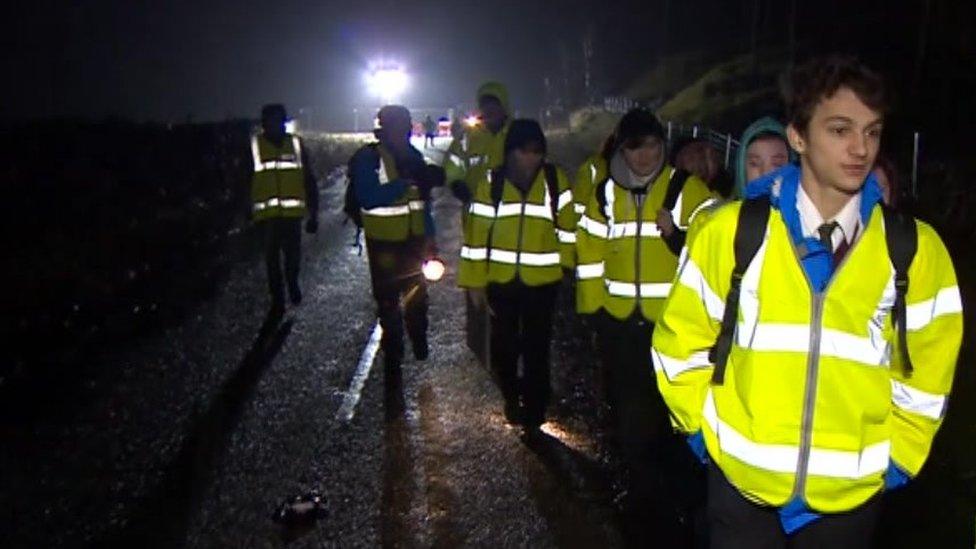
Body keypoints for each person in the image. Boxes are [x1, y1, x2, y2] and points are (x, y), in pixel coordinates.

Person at [652, 55, 963, 548]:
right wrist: (705, 436)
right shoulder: (730, 232)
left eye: (872, 132)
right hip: (742, 491)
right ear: (797, 137)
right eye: (840, 130)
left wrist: (896, 458)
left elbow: (929, 370)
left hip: (848, 502)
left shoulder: (915, 250)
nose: (861, 148)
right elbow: (678, 344)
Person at [575, 108, 712, 526]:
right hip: (620, 324)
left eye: (652, 145)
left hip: (673, 327)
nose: (644, 156)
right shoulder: (604, 194)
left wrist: (679, 237)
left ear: (662, 145)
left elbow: (715, 249)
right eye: (635, 147)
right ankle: (645, 504)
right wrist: (593, 310)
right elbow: (590, 255)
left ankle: (682, 497)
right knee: (633, 418)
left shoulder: (688, 190)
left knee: (676, 415)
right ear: (622, 149)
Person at [458, 119, 575, 430]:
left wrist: (565, 267)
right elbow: (476, 237)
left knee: (537, 348)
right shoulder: (492, 183)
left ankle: (535, 409)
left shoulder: (554, 180)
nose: (530, 158)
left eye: (537, 151)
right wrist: (474, 282)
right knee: (504, 348)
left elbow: (568, 228)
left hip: (543, 284)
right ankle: (511, 394)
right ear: (511, 152)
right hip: (502, 282)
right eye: (524, 151)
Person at [349, 105, 444, 373]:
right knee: (388, 302)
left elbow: (422, 204)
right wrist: (403, 182)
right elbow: (367, 196)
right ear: (383, 130)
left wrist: (430, 238)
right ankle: (394, 352)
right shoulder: (368, 158)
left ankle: (418, 340)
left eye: (405, 127)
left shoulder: (412, 155)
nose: (402, 132)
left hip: (413, 244)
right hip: (383, 244)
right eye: (397, 127)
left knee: (417, 299)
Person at [249, 103, 319, 315]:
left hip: (292, 216)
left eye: (278, 120)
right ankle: (278, 300)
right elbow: (243, 180)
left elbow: (309, 180)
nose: (274, 125)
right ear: (263, 123)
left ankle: (292, 282)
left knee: (292, 258)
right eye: (270, 121)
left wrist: (313, 212)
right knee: (271, 261)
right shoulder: (254, 147)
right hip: (266, 217)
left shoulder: (296, 145)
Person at [445, 81, 512, 206]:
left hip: (510, 209)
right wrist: (456, 184)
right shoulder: (467, 137)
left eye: (494, 104)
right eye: (485, 105)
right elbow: (451, 168)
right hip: (475, 209)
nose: (489, 109)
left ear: (503, 106)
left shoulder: (515, 134)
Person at [733, 116, 795, 198]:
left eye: (777, 164)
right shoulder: (724, 210)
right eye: (755, 163)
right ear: (742, 169)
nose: (765, 173)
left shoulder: (807, 209)